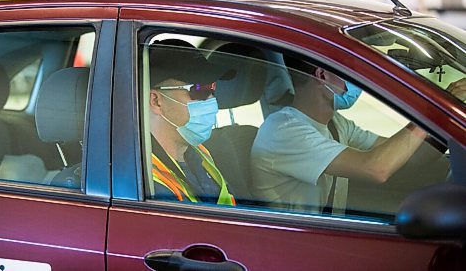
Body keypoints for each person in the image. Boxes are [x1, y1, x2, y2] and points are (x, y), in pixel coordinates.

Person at [251, 59, 438, 213]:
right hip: (298, 247)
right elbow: (376, 169)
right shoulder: (284, 131)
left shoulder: (336, 123)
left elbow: (411, 156)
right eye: (349, 71)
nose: (357, 82)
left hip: (324, 237)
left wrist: (445, 125)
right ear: (322, 75)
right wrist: (431, 113)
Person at [148, 39, 235, 206]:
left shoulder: (201, 154)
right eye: (199, 90)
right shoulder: (148, 184)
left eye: (212, 88)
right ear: (156, 101)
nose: (212, 102)